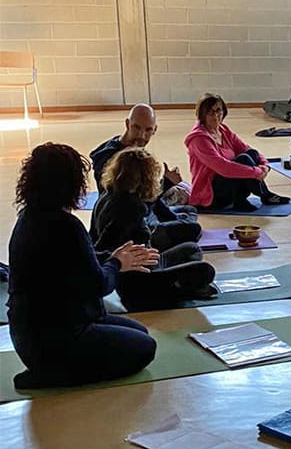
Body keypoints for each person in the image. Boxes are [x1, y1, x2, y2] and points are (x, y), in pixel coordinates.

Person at [6, 143, 159, 389]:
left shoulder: (29, 217)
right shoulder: (66, 226)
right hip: (58, 339)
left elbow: (78, 261)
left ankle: (49, 367)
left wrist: (116, 256)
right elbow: (99, 285)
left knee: (140, 332)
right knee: (146, 348)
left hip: (30, 334)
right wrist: (117, 263)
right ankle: (51, 374)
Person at [91, 147, 216, 311]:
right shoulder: (129, 207)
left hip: (147, 262)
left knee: (191, 249)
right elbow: (105, 243)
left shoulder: (109, 194)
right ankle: (168, 292)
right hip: (137, 279)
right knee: (205, 271)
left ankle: (178, 286)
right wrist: (116, 263)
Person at [90, 103, 199, 251]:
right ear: (127, 124)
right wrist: (166, 184)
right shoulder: (111, 158)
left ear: (154, 130)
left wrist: (172, 218)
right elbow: (133, 204)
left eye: (148, 130)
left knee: (190, 211)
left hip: (141, 214)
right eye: (136, 128)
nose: (141, 135)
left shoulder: (132, 151)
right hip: (130, 224)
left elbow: (146, 198)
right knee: (192, 230)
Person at [185, 93, 290, 211]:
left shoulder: (223, 130)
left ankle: (251, 198)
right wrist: (256, 172)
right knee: (243, 159)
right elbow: (223, 168)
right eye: (210, 112)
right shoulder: (199, 139)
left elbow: (247, 148)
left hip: (229, 186)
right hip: (210, 196)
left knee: (251, 154)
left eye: (218, 110)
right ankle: (264, 195)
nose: (215, 115)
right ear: (202, 114)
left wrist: (265, 166)